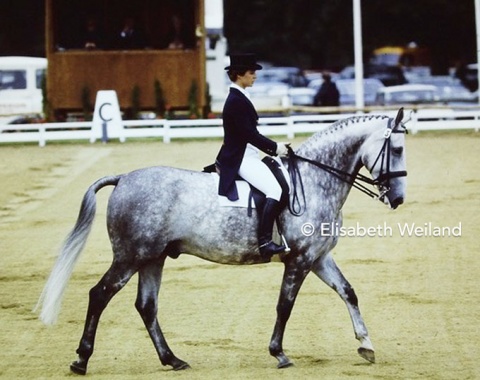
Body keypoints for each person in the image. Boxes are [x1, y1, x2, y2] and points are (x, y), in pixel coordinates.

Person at [215, 53, 290, 259]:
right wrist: (276, 148)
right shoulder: (236, 100)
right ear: (239, 75)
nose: (255, 76)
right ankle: (265, 242)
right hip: (240, 158)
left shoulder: (241, 96)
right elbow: (249, 134)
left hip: (248, 154)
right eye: (251, 72)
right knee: (275, 190)